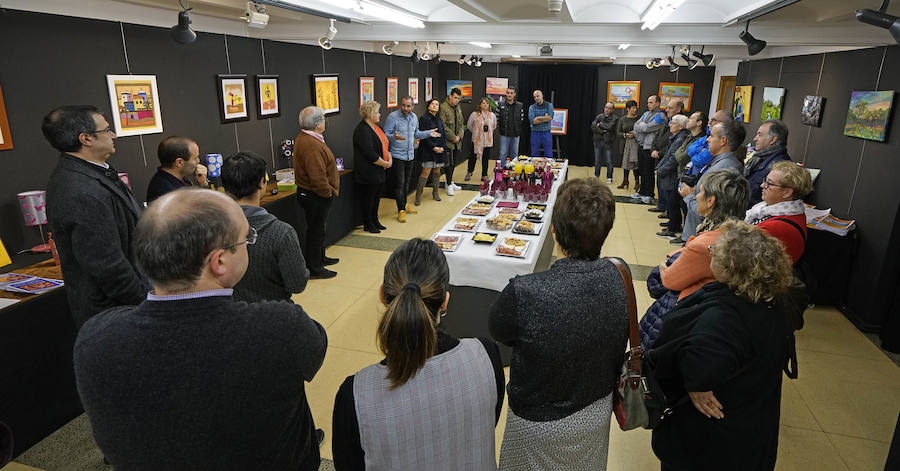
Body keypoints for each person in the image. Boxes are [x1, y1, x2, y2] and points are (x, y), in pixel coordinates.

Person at [73, 188, 328, 471]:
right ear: (219, 261)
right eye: (247, 239)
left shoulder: (95, 337)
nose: (249, 244)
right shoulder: (281, 327)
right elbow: (315, 348)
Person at [489, 178, 628, 470]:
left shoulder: (525, 291)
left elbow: (498, 329)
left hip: (534, 421)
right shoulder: (621, 277)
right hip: (596, 409)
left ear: (554, 231)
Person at [332, 238, 504, 470]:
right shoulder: (487, 357)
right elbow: (487, 423)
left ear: (383, 296)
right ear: (445, 301)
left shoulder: (355, 395)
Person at [649, 220, 793, 471]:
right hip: (751, 423)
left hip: (709, 440)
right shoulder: (769, 299)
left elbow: (701, 355)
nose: (711, 251)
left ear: (731, 268)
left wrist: (697, 385)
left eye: (716, 250)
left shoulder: (724, 317)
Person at [42, 105, 147, 329]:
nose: (113, 135)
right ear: (86, 138)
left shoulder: (93, 172)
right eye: (107, 130)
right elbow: (107, 265)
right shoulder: (79, 190)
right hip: (114, 313)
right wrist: (147, 302)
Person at [640, 169, 751, 351]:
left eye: (699, 191)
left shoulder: (705, 245)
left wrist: (665, 265)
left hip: (689, 316)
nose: (695, 195)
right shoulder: (744, 233)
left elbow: (668, 279)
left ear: (711, 201)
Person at [221, 151, 309, 302]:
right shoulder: (281, 232)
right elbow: (297, 285)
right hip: (274, 312)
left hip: (230, 314)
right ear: (262, 182)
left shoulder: (210, 229)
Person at [677, 119, 745, 245]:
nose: (707, 140)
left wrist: (689, 196)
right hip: (697, 235)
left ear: (723, 140)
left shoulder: (726, 169)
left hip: (702, 239)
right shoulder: (718, 163)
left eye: (712, 136)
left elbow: (711, 214)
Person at [294, 105, 341, 279]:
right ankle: (315, 267)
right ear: (317, 124)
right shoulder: (310, 144)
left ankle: (320, 258)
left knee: (318, 229)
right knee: (316, 231)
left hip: (313, 194)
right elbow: (317, 176)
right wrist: (328, 193)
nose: (324, 121)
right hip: (315, 195)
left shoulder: (309, 137)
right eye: (322, 118)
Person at [383, 96, 440, 222]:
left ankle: (404, 204)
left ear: (412, 106)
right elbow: (385, 135)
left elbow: (416, 134)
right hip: (397, 155)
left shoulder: (414, 117)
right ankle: (401, 210)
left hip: (410, 155)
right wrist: (394, 137)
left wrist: (428, 133)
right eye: (403, 105)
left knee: (407, 183)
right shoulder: (392, 117)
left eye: (408, 106)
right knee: (400, 184)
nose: (405, 108)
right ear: (400, 104)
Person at [745, 161, 813, 263]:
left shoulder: (774, 228)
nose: (762, 185)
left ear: (787, 192)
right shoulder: (793, 212)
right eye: (765, 180)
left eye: (769, 183)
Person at [664, 111, 708, 237]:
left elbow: (683, 157)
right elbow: (678, 154)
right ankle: (676, 227)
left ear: (699, 123)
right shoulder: (689, 136)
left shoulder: (701, 139)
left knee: (685, 206)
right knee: (675, 202)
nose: (688, 120)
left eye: (692, 118)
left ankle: (684, 233)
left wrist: (684, 154)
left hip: (691, 177)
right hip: (683, 173)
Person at [353, 101, 393, 234]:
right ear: (369, 114)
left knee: (376, 198)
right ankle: (368, 223)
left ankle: (375, 220)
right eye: (377, 112)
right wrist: (384, 163)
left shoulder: (376, 127)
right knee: (369, 199)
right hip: (368, 172)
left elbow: (385, 144)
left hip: (379, 170)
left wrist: (389, 158)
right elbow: (369, 153)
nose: (379, 115)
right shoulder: (362, 130)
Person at [653, 114, 690, 232]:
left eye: (673, 123)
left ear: (680, 126)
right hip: (668, 172)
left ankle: (674, 226)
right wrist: (659, 167)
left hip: (673, 174)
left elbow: (673, 159)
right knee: (670, 200)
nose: (670, 125)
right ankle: (672, 222)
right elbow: (668, 155)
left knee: (673, 200)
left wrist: (661, 170)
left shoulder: (680, 138)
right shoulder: (675, 137)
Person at [146, 136, 207, 203]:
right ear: (179, 162)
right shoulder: (167, 194)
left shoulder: (176, 180)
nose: (198, 161)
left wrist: (202, 183)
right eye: (195, 158)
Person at [745, 120, 791, 207]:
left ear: (773, 139)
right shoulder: (759, 158)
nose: (755, 139)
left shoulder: (779, 166)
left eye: (760, 135)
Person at [649, 99, 684, 211]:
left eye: (670, 108)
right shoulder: (666, 121)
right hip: (659, 157)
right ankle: (661, 206)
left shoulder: (680, 123)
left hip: (667, 158)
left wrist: (659, 153)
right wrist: (653, 149)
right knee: (660, 184)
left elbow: (672, 148)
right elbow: (657, 137)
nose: (667, 110)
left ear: (679, 109)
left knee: (668, 187)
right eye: (667, 107)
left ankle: (668, 211)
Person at [632, 95, 667, 203]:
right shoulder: (646, 113)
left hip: (650, 147)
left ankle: (649, 194)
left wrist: (643, 126)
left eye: (651, 102)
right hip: (641, 145)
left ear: (658, 103)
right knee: (641, 170)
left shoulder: (661, 116)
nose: (648, 104)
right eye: (648, 102)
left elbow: (647, 128)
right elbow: (635, 126)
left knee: (648, 171)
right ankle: (642, 192)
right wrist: (643, 126)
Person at [416, 98, 448, 206]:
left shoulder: (439, 119)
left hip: (440, 150)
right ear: (428, 106)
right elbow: (424, 136)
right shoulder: (424, 118)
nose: (435, 106)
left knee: (437, 171)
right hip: (428, 150)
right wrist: (434, 147)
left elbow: (443, 134)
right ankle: (418, 196)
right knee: (425, 172)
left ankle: (435, 193)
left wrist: (442, 147)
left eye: (437, 104)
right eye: (432, 104)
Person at [439, 88, 465, 195]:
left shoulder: (458, 107)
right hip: (448, 141)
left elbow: (462, 124)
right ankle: (449, 184)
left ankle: (450, 181)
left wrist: (459, 135)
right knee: (448, 163)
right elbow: (443, 125)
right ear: (450, 96)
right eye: (455, 98)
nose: (456, 100)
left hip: (457, 141)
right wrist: (453, 137)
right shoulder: (443, 107)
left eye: (458, 98)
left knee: (454, 162)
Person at [466, 97, 498, 181]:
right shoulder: (474, 114)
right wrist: (477, 132)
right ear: (480, 105)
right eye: (483, 103)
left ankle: (484, 174)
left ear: (489, 105)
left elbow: (494, 126)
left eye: (487, 103)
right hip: (476, 140)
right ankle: (469, 172)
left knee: (485, 158)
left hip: (487, 141)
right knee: (472, 157)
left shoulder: (492, 115)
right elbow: (469, 125)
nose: (485, 105)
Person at [591, 101, 618, 183]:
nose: (607, 109)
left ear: (612, 110)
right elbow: (593, 127)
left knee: (609, 161)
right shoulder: (599, 116)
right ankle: (596, 176)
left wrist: (601, 125)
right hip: (598, 141)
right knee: (597, 161)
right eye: (606, 107)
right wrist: (603, 131)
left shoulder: (615, 118)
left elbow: (610, 127)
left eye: (609, 108)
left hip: (608, 142)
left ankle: (609, 177)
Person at [615, 100, 640, 189]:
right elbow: (617, 132)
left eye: (636, 107)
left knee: (635, 163)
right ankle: (625, 181)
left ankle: (637, 182)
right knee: (625, 163)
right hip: (624, 144)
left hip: (635, 144)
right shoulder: (622, 119)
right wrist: (625, 135)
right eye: (633, 108)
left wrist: (634, 134)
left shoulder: (639, 118)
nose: (635, 109)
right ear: (628, 109)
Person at [498, 86, 525, 162]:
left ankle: (514, 173)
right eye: (508, 93)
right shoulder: (500, 105)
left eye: (511, 93)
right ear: (506, 94)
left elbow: (522, 119)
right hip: (504, 134)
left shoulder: (520, 105)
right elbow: (497, 119)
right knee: (503, 154)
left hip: (516, 135)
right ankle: (501, 172)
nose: (509, 95)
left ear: (514, 94)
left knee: (515, 154)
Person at [528, 89, 554, 157]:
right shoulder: (532, 107)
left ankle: (548, 167)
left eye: (537, 96)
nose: (536, 98)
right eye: (534, 97)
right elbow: (533, 121)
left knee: (548, 153)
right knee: (534, 153)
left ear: (542, 96)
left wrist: (538, 117)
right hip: (535, 133)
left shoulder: (549, 105)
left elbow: (550, 118)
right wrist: (544, 118)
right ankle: (535, 167)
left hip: (546, 132)